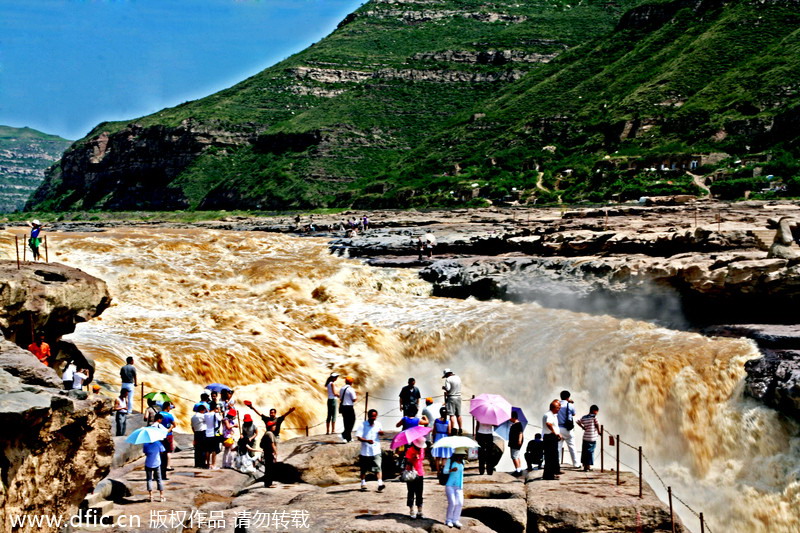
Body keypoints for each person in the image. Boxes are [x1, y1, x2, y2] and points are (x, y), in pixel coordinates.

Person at [357, 409, 385, 492]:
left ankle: (380, 484)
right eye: (372, 416)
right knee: (363, 468)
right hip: (365, 450)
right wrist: (366, 441)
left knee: (378, 467)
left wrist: (381, 433)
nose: (373, 418)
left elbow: (381, 433)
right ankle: (363, 482)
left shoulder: (378, 424)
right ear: (368, 416)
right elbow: (359, 437)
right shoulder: (362, 425)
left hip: (376, 450)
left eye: (374, 416)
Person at [404, 437, 426, 519]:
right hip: (411, 474)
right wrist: (413, 458)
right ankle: (411, 510)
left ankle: (420, 511)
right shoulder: (410, 450)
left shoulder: (422, 450)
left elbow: (422, 459)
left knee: (419, 492)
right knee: (411, 492)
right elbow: (407, 462)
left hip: (420, 473)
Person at [557, 390, 579, 469]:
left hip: (558, 428)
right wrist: (571, 403)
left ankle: (557, 464)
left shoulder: (557, 405)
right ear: (568, 397)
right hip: (568, 429)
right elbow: (574, 414)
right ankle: (576, 464)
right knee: (572, 446)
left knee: (558, 447)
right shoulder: (570, 405)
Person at [577, 405, 602, 471]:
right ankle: (587, 467)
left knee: (585, 452)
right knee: (590, 452)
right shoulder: (594, 418)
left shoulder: (584, 417)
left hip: (585, 437)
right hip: (592, 438)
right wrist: (599, 432)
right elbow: (597, 424)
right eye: (597, 411)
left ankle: (585, 466)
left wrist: (582, 427)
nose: (597, 413)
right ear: (594, 411)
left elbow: (578, 421)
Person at [444, 451, 465, 528]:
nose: (461, 457)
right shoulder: (450, 460)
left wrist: (461, 485)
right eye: (460, 455)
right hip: (450, 485)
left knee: (460, 503)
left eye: (462, 455)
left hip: (459, 486)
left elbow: (461, 474)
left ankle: (455, 520)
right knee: (452, 502)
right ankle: (448, 520)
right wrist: (451, 470)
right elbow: (445, 471)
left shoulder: (463, 462)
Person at [542, 400, 562, 480]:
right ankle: (549, 475)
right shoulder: (549, 415)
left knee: (551, 456)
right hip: (550, 437)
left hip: (549, 437)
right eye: (557, 408)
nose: (559, 409)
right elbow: (548, 423)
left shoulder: (550, 414)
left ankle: (551, 474)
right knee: (550, 457)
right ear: (553, 408)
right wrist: (555, 432)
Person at [431, 406, 452, 473]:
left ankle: (438, 471)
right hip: (445, 438)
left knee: (437, 457)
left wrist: (433, 439)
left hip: (438, 437)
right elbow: (449, 432)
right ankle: (443, 471)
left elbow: (434, 431)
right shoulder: (448, 421)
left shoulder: (436, 420)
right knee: (444, 456)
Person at [442, 369, 463, 435]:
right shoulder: (458, 377)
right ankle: (460, 429)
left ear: (447, 374)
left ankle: (453, 430)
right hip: (459, 397)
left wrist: (444, 388)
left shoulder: (448, 379)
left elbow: (448, 389)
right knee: (458, 414)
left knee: (452, 415)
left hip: (451, 397)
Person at [158, 402, 176, 479]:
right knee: (168, 451)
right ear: (168, 407)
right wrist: (170, 428)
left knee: (160, 452)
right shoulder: (169, 415)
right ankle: (168, 466)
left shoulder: (159, 413)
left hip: (159, 435)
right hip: (168, 435)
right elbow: (174, 424)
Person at [339, 376, 357, 443]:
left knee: (346, 422)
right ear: (351, 382)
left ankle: (348, 437)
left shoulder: (342, 388)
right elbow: (354, 399)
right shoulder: (351, 389)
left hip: (343, 407)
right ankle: (344, 434)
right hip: (349, 407)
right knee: (352, 421)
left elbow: (341, 398)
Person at [204, 403, 223, 469]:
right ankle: (213, 465)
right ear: (215, 408)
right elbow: (221, 419)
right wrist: (220, 412)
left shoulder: (206, 414)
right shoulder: (216, 414)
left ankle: (207, 464)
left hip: (207, 433)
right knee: (214, 450)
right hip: (214, 434)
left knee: (207, 450)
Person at [261, 420, 278, 487]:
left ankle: (268, 483)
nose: (275, 426)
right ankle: (268, 484)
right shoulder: (270, 433)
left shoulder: (268, 433)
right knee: (269, 468)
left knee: (269, 468)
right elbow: (272, 444)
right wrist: (275, 453)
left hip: (267, 452)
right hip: (269, 453)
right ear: (270, 427)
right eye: (273, 425)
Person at [508, 411, 524, 476]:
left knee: (514, 456)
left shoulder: (518, 424)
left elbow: (520, 433)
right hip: (513, 442)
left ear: (514, 417)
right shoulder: (514, 424)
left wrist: (519, 440)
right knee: (517, 455)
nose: (509, 419)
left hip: (515, 442)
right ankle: (519, 469)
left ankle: (518, 470)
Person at [191, 403, 208, 468]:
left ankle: (197, 464)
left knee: (197, 449)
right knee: (203, 448)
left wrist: (195, 432)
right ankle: (202, 463)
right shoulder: (202, 416)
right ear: (202, 410)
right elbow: (209, 417)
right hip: (202, 432)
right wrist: (207, 410)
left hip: (196, 432)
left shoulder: (193, 417)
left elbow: (192, 427)